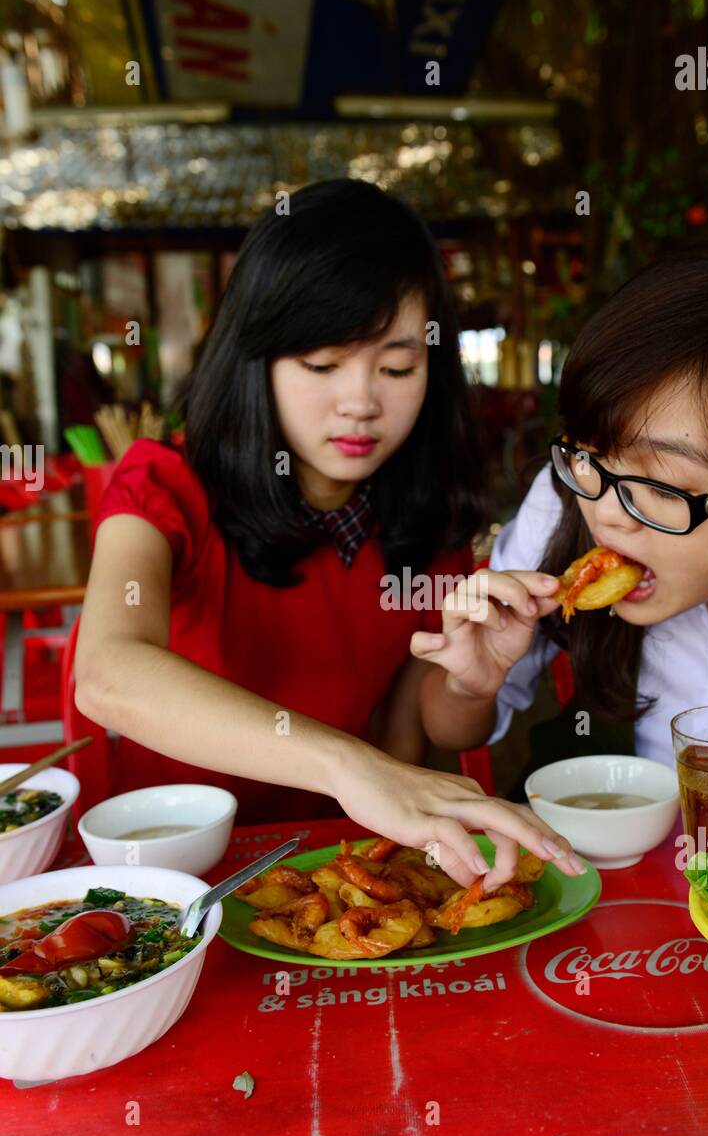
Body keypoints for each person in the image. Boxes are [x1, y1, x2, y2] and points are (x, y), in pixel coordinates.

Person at [74, 180, 582, 889]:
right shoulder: (165, 486)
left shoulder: (421, 510)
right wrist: (349, 765)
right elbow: (106, 674)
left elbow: (423, 730)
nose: (361, 402)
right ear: (258, 358)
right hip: (178, 876)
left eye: (397, 367)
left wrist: (474, 681)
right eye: (321, 364)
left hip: (335, 871)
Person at [414, 242, 708, 885]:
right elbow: (451, 723)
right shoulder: (568, 499)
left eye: (662, 486)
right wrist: (470, 682)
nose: (611, 515)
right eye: (592, 455)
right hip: (612, 896)